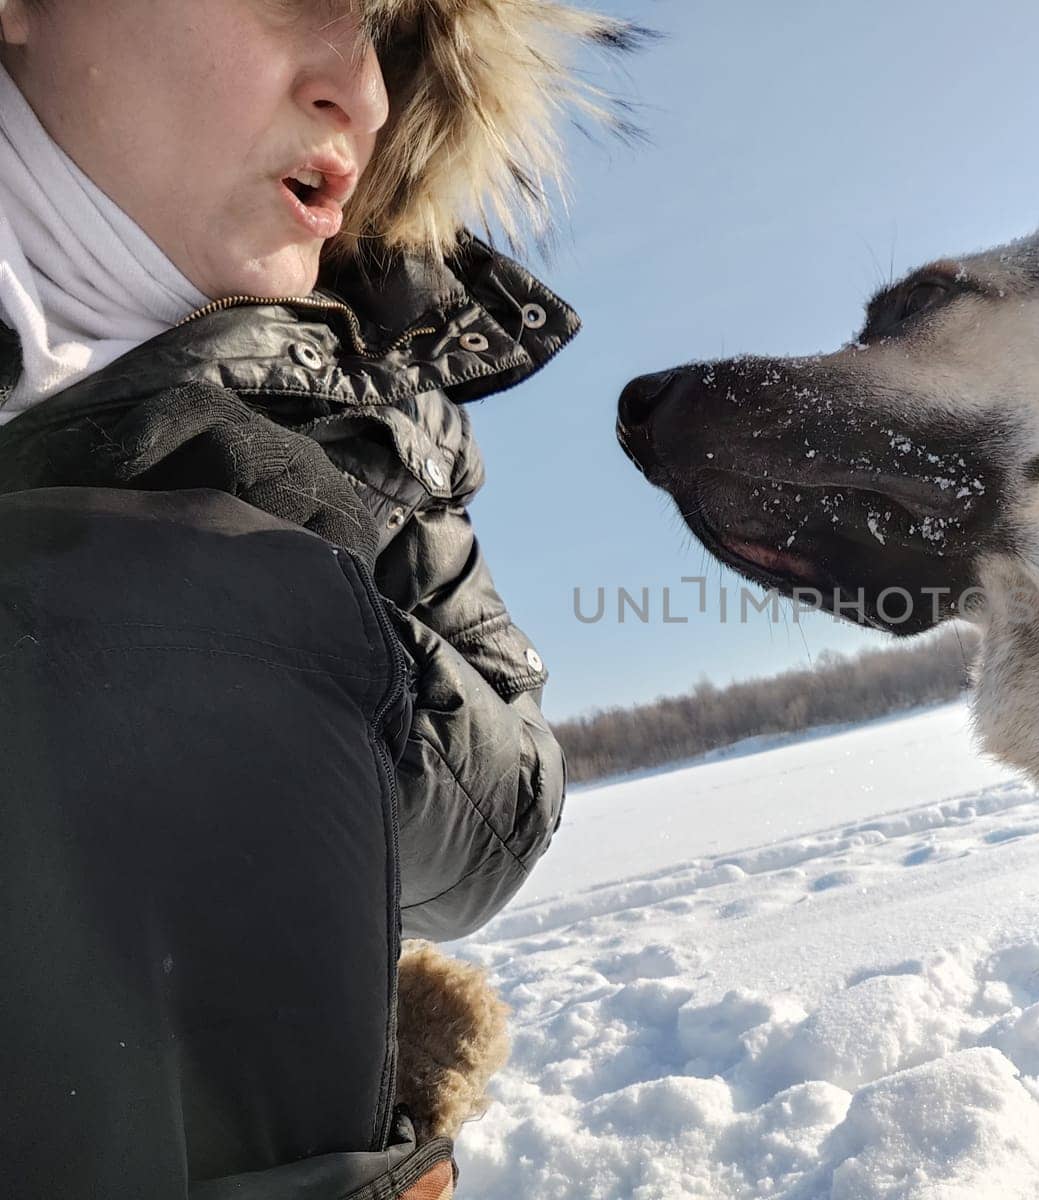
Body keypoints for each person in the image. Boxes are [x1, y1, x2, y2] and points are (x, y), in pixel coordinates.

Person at [0, 1, 634, 1195]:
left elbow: (502, 819)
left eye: (385, 37)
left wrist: (306, 612)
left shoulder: (366, 407)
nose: (366, 96)